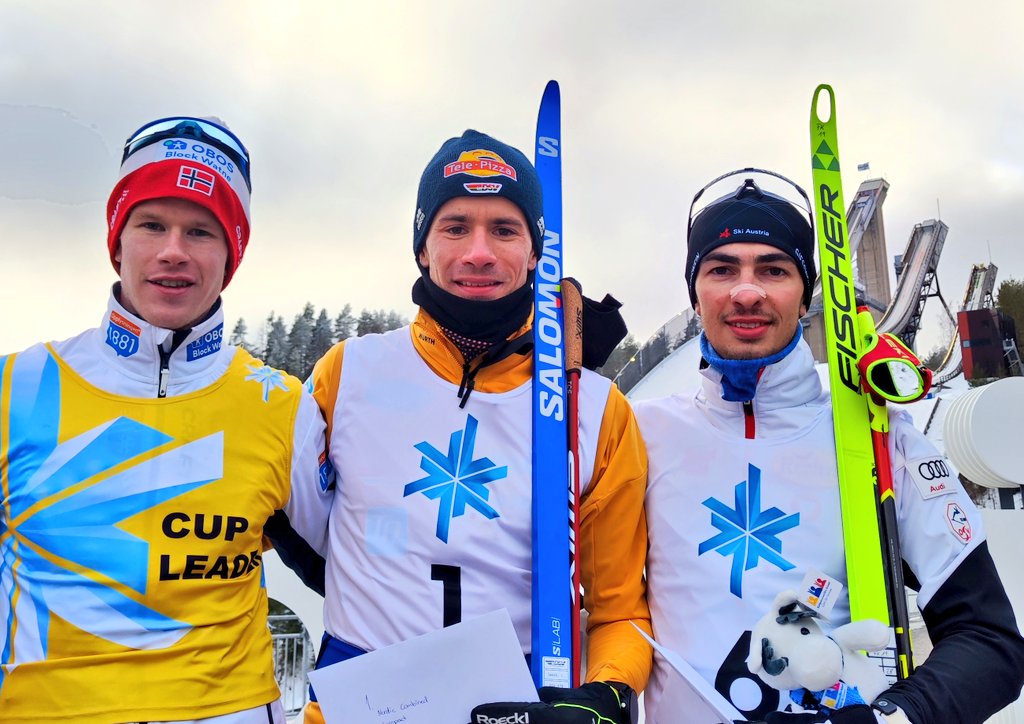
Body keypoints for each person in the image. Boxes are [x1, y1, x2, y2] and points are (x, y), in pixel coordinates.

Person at [636, 170, 1024, 723]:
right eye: (722, 269)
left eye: (774, 269)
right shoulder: (638, 434)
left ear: (805, 292)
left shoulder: (877, 435)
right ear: (694, 292)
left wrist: (890, 718)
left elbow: (989, 640)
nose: (748, 291)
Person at [301, 130, 651, 724]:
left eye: (505, 230)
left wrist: (608, 695)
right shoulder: (347, 376)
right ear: (422, 247)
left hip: (522, 706)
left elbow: (620, 610)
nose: (479, 253)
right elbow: (304, 535)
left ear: (537, 252)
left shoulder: (594, 410)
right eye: (456, 227)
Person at [0, 117, 333, 723]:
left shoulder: (281, 407)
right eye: (151, 224)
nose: (173, 251)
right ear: (118, 239)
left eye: (201, 231)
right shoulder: (15, 389)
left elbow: (361, 573)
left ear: (231, 254)